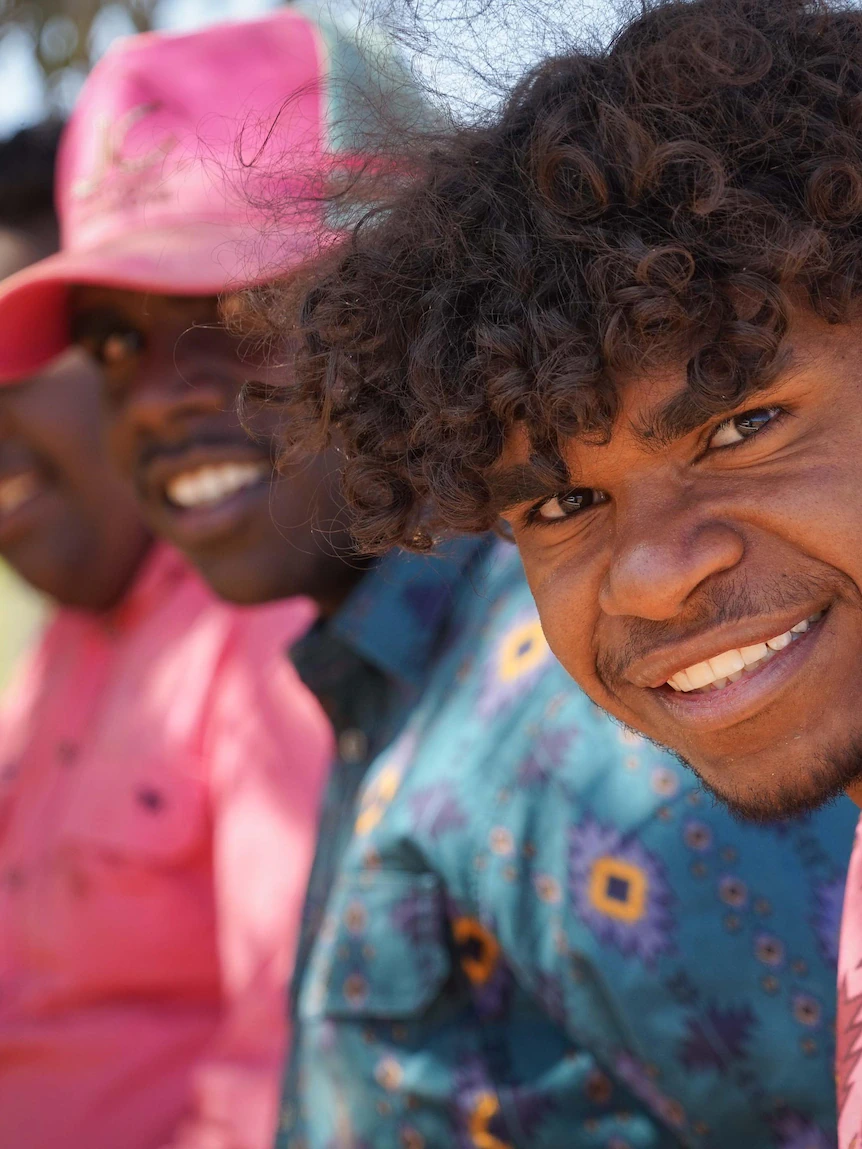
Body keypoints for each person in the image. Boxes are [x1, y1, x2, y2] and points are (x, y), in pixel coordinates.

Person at [0, 7, 855, 1148]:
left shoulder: (598, 717)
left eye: (240, 313)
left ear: (407, 299)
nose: (160, 396)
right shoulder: (417, 668)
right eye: (113, 347)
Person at [0, 122, 331, 1149]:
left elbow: (280, 1072)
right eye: (110, 350)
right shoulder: (61, 652)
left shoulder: (269, 636)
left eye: (14, 370)